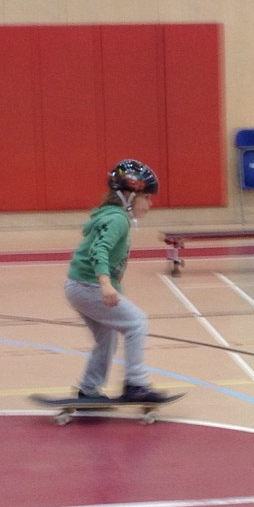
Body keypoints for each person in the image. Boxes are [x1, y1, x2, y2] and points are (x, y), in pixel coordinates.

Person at [65, 159, 169, 403]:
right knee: (137, 322)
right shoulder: (118, 219)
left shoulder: (112, 216)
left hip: (78, 286)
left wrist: (111, 286)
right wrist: (104, 283)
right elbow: (98, 249)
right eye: (147, 197)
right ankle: (135, 384)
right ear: (129, 196)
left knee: (107, 339)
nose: (151, 204)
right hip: (88, 285)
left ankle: (89, 389)